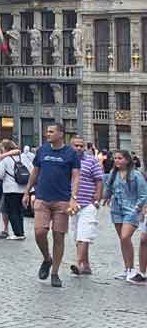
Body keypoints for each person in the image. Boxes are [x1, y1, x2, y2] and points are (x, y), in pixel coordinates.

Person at [24, 121, 81, 289]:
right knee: (39, 232)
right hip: (42, 197)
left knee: (58, 236)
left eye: (51, 131)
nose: (47, 134)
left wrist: (74, 197)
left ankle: (55, 272)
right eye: (47, 131)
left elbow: (76, 176)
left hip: (62, 200)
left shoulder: (71, 153)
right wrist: (27, 191)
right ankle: (47, 258)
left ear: (60, 134)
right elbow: (35, 171)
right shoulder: (42, 150)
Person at [103, 150, 147, 283]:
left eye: (120, 158)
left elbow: (143, 194)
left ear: (127, 160)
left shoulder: (136, 175)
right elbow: (109, 188)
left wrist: (137, 208)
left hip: (131, 210)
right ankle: (128, 268)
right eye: (115, 158)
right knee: (123, 240)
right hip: (116, 210)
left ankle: (133, 270)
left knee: (125, 236)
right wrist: (105, 198)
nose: (116, 160)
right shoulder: (113, 173)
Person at [69, 137, 104, 276]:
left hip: (88, 202)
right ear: (70, 146)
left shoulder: (91, 160)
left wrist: (97, 197)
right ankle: (86, 265)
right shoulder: (67, 161)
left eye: (81, 146)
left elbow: (99, 180)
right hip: (72, 203)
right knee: (77, 235)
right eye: (76, 145)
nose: (79, 148)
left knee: (85, 234)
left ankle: (78, 263)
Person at [0, 139, 28, 240]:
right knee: (20, 212)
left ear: (5, 149)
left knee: (12, 212)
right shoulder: (23, 157)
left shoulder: (6, 159)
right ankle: (21, 232)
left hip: (10, 189)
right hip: (22, 188)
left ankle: (17, 233)